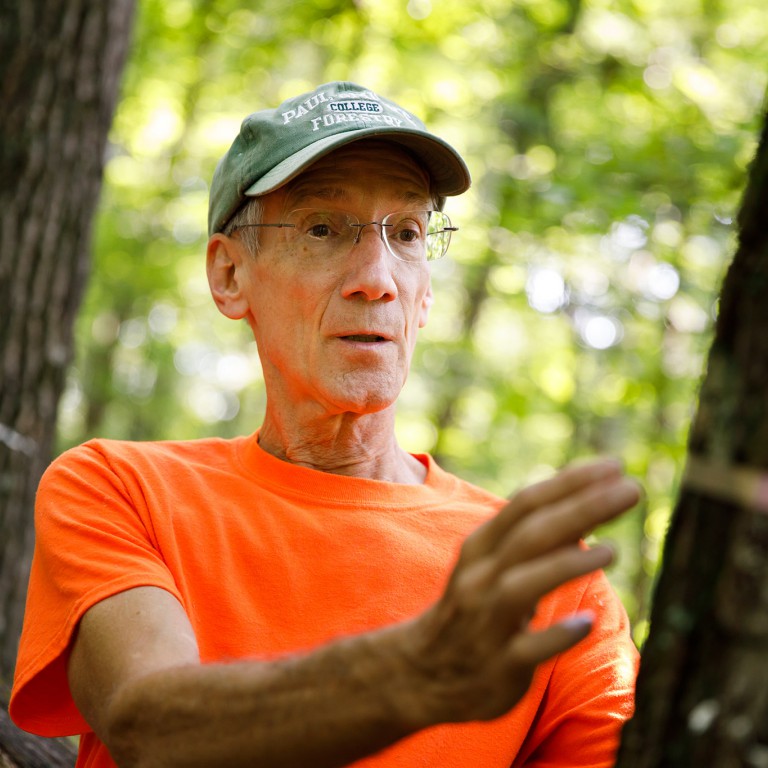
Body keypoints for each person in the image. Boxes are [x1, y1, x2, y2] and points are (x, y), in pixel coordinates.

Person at [10, 81, 640, 768]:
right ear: (229, 274)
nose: (377, 278)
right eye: (322, 229)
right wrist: (416, 672)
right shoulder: (121, 488)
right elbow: (151, 726)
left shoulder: (544, 576)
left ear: (425, 292)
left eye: (405, 234)